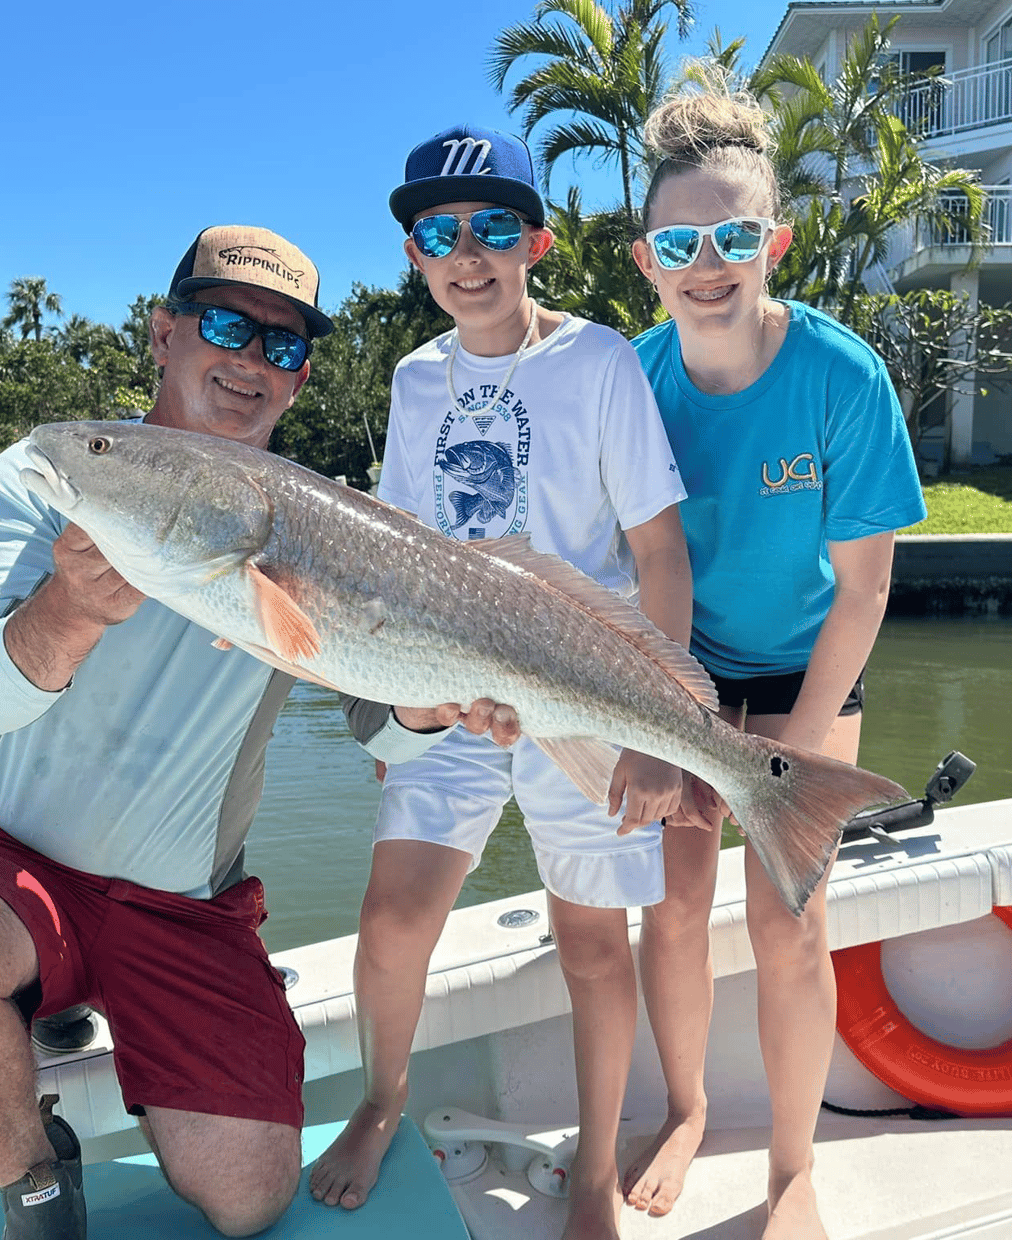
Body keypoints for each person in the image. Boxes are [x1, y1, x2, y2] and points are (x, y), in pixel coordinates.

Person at [0, 224, 458, 1240]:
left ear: (301, 377)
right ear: (164, 331)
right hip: (10, 860)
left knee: (248, 1197)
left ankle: (92, 1004)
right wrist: (68, 610)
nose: (250, 359)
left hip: (183, 902)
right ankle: (34, 1174)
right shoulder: (54, 473)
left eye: (281, 344)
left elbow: (386, 736)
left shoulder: (324, 525)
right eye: (225, 325)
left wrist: (433, 707)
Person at [309, 124, 694, 1240]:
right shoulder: (413, 377)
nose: (466, 254)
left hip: (587, 692)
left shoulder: (600, 361)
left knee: (592, 946)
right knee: (391, 917)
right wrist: (399, 708)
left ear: (537, 242)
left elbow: (660, 555)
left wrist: (657, 731)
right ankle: (381, 1102)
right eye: (438, 235)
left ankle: (591, 1173)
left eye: (490, 228)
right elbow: (392, 556)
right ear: (415, 257)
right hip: (449, 686)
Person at [623, 77, 927, 1239]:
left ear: (774, 244)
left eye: (733, 236)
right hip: (682, 668)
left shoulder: (842, 377)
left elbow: (864, 591)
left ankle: (792, 1168)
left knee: (787, 918)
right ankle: (687, 1108)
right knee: (674, 905)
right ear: (647, 260)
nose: (707, 264)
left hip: (808, 664)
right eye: (679, 243)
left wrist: (781, 766)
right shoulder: (632, 381)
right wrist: (670, 725)